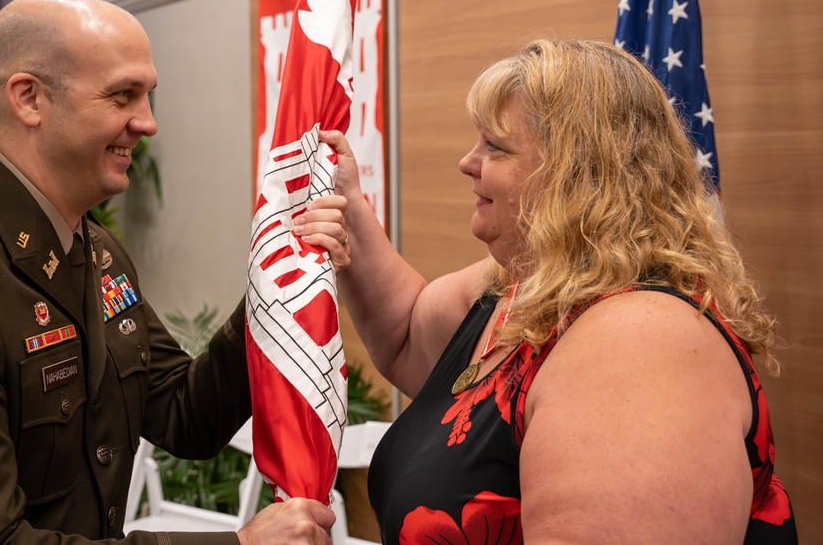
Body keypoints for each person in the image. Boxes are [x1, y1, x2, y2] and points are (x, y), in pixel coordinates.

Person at [0, 0, 345, 544]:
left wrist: (280, 280)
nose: (147, 123)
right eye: (123, 95)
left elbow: (185, 416)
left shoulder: (95, 252)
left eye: (148, 97)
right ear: (29, 99)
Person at [320, 37, 797, 543]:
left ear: (576, 176)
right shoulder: (520, 283)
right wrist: (345, 200)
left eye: (495, 147)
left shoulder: (641, 345)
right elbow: (407, 332)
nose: (467, 162)